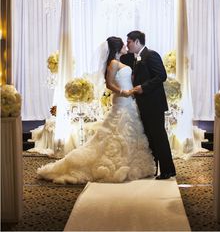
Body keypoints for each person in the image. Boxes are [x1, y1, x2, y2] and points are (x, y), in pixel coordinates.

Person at [37, 36, 155, 184]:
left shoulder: (120, 62)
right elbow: (109, 84)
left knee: (128, 131)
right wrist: (123, 92)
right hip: (122, 99)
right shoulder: (113, 63)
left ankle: (129, 162)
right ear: (118, 48)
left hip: (129, 102)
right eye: (124, 45)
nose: (126, 46)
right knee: (116, 130)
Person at [127, 30, 176, 180]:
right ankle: (154, 168)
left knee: (159, 136)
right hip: (145, 104)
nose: (127, 44)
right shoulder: (137, 58)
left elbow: (162, 75)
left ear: (136, 42)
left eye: (129, 41)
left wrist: (143, 87)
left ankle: (168, 170)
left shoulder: (151, 55)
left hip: (154, 104)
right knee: (151, 137)